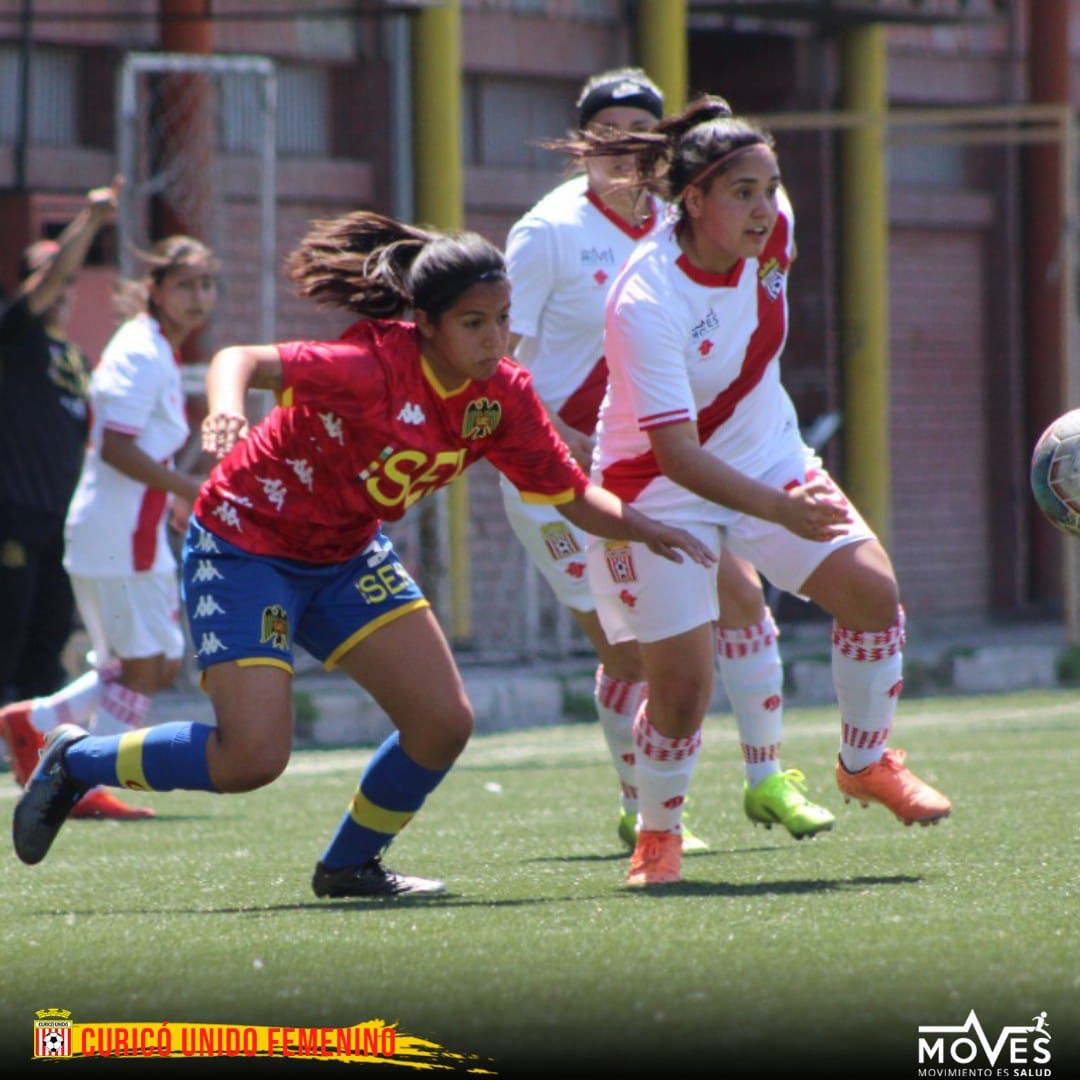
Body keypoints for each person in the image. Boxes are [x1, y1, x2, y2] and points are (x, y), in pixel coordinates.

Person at [12, 211, 715, 897]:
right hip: (244, 545)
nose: (496, 339)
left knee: (444, 723)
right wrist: (226, 408)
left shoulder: (503, 396)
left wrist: (647, 526)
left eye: (503, 319)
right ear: (427, 325)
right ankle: (78, 760)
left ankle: (350, 865)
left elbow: (569, 494)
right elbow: (241, 359)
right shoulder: (367, 366)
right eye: (475, 324)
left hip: (346, 556)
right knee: (251, 760)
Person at [572, 97, 951, 887]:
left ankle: (864, 761)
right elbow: (675, 455)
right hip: (656, 486)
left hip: (764, 449)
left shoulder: (775, 231)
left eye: (769, 186)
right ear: (693, 202)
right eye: (741, 191)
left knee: (873, 594)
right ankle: (658, 837)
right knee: (679, 689)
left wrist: (781, 491)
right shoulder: (646, 298)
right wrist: (778, 510)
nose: (763, 206)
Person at [502, 69, 833, 852]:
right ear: (581, 145)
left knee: (743, 599)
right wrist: (552, 440)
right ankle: (637, 803)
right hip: (561, 480)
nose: (622, 150)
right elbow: (495, 362)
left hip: (660, 466)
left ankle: (767, 780)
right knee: (632, 656)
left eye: (638, 134)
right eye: (605, 134)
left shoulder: (691, 222)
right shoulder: (546, 232)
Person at [2, 235, 217, 818]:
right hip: (117, 535)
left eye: (206, 284)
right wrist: (187, 489)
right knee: (144, 665)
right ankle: (80, 779)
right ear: (154, 290)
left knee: (156, 662)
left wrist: (171, 492)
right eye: (184, 285)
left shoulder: (158, 350)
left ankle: (37, 721)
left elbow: (141, 448)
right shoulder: (140, 351)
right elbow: (117, 448)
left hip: (134, 534)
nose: (198, 297)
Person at [0, 177, 134, 817]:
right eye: (43, 271)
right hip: (14, 516)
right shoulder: (12, 335)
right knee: (8, 632)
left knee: (50, 641)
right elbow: (47, 283)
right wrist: (91, 218)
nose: (58, 280)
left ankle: (47, 770)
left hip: (62, 523)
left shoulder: (75, 358)